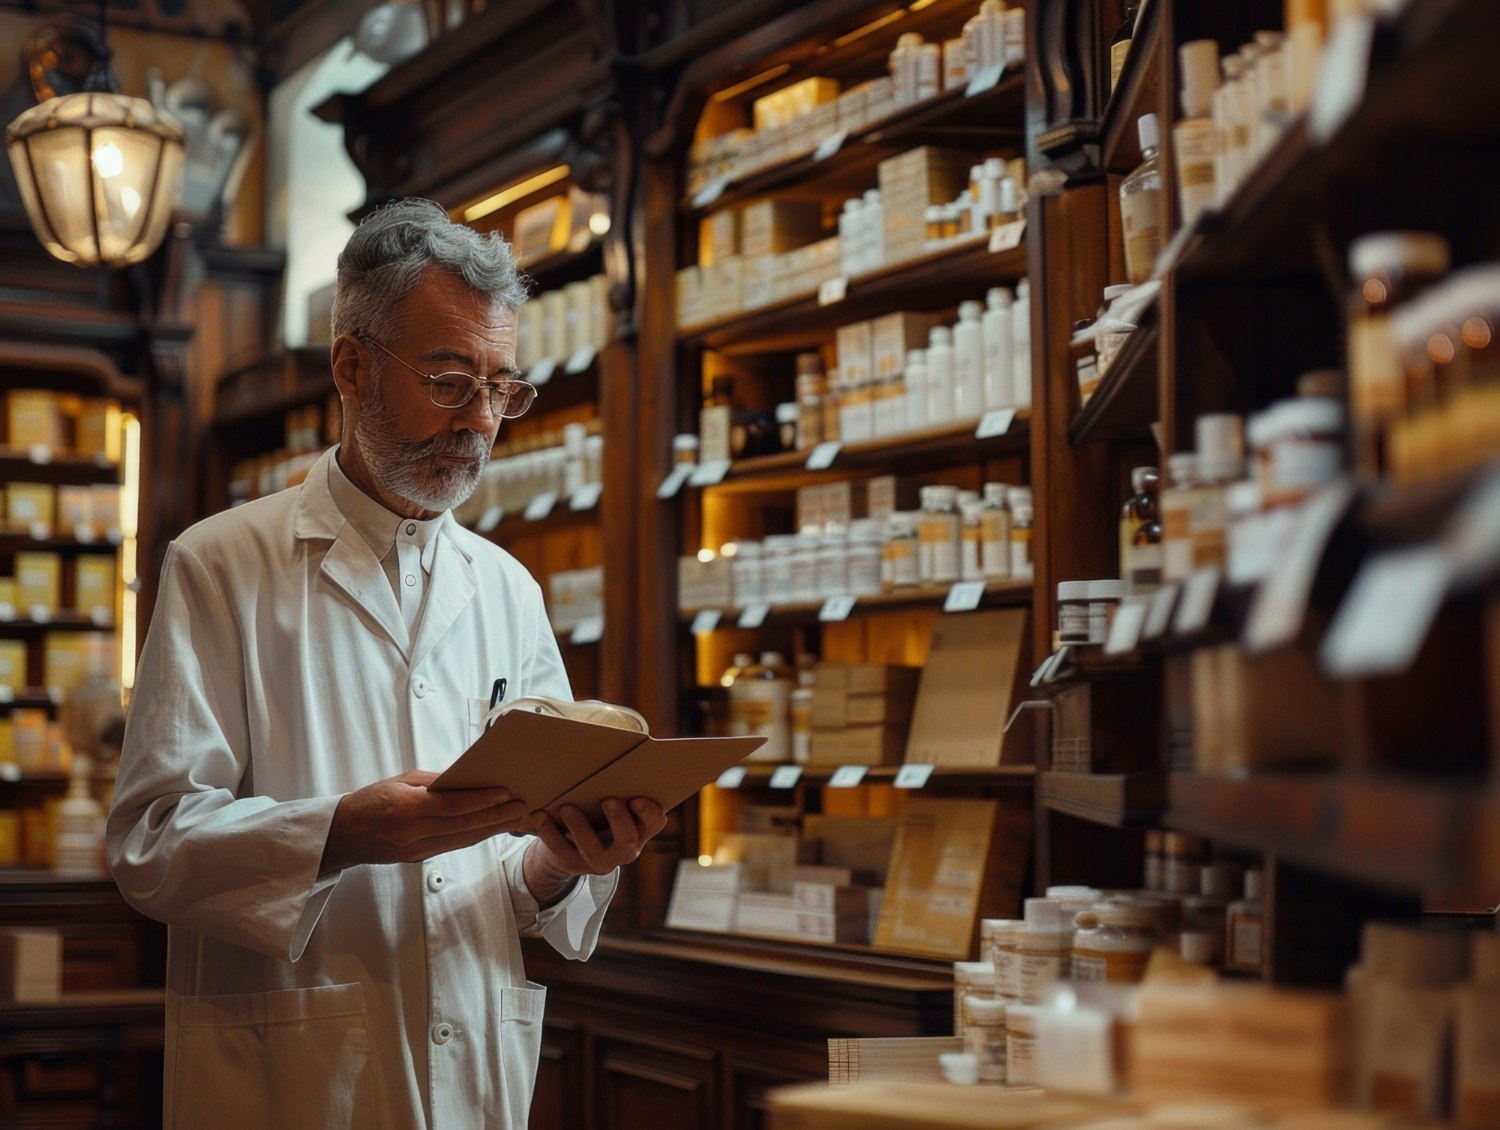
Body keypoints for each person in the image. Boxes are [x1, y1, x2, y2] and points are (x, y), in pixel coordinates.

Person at [106, 198, 666, 1130]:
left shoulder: (508, 590)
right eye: (449, 382)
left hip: (473, 1061)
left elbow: (516, 885)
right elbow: (151, 843)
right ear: (352, 367)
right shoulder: (220, 564)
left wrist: (561, 864)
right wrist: (342, 832)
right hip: (292, 1075)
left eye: (501, 387)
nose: (480, 421)